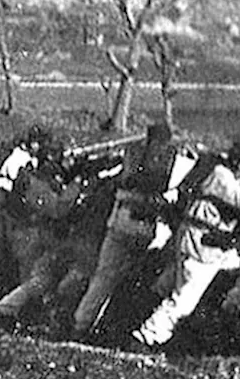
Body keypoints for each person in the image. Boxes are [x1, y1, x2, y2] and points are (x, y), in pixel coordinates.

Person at [130, 151, 240, 350]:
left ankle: (230, 309)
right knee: (183, 302)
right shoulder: (221, 176)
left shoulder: (223, 175)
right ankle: (144, 338)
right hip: (202, 247)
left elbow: (239, 190)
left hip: (207, 243)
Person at [72, 123, 183, 336]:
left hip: (122, 217)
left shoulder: (134, 152)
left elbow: (126, 180)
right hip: (146, 223)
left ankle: (81, 324)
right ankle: (115, 327)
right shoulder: (169, 157)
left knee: (104, 277)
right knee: (132, 280)